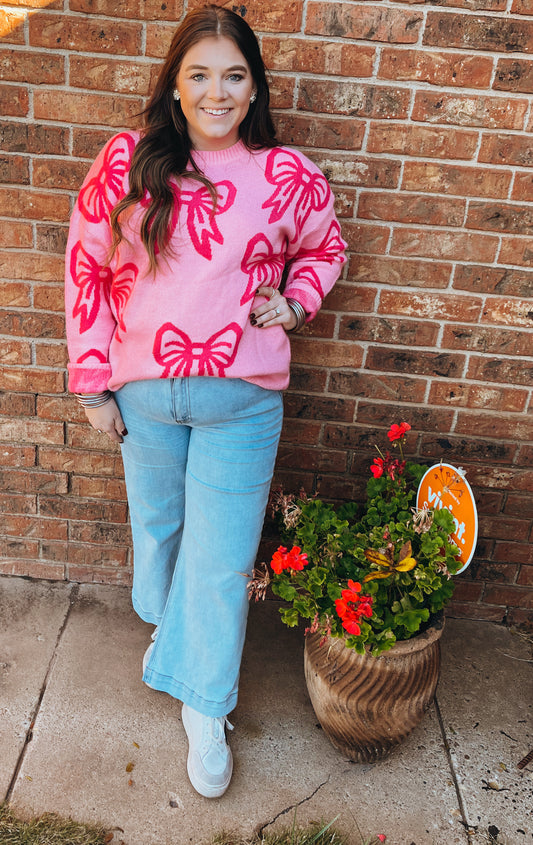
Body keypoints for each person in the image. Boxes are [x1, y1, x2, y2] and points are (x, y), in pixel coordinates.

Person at [65, 4, 346, 799]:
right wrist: (92, 381)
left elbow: (326, 247)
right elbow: (84, 267)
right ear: (177, 87)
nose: (217, 92)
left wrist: (295, 302)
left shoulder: (287, 175)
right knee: (158, 538)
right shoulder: (129, 159)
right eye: (200, 76)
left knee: (220, 564)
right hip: (145, 393)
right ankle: (173, 636)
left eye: (233, 76)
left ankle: (204, 703)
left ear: (253, 87)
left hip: (242, 397)